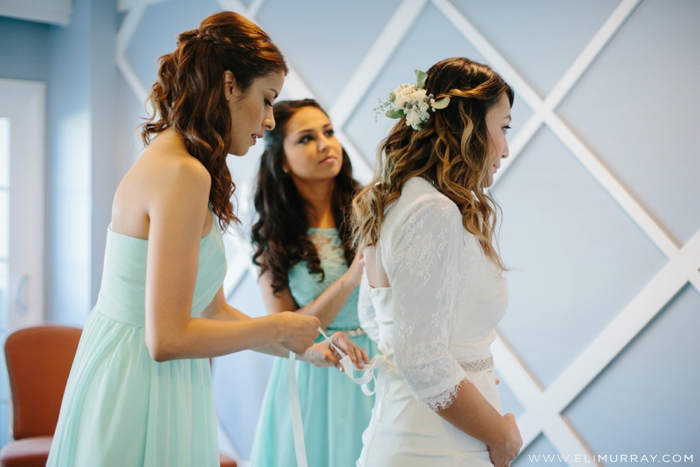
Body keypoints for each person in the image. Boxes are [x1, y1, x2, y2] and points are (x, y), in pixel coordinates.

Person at [47, 12, 365, 467]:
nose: (270, 120)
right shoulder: (182, 173)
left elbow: (211, 310)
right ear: (231, 85)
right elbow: (167, 338)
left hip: (151, 372)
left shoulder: (180, 161)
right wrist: (279, 326)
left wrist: (306, 348)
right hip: (140, 380)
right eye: (268, 99)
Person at [352, 57, 523, 466]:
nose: (505, 148)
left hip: (416, 429)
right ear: (467, 125)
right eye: (503, 127)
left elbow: (377, 321)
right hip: (436, 446)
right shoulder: (433, 210)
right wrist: (502, 438)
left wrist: (470, 369)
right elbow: (422, 360)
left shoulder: (398, 200)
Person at [248, 99, 378, 466]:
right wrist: (350, 281)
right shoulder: (271, 237)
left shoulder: (371, 213)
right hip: (311, 374)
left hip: (374, 364)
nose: (325, 144)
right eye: (306, 138)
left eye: (329, 132)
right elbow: (284, 329)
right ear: (282, 161)